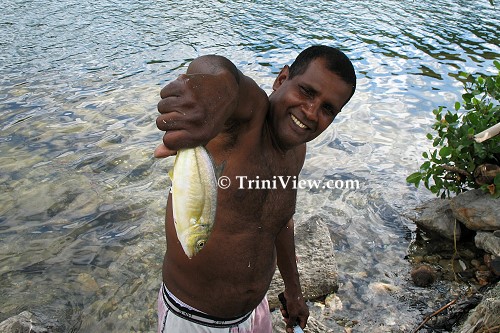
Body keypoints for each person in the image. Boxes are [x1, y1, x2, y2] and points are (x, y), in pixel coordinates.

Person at [154, 45, 356, 333]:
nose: (311, 113)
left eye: (327, 109)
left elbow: (280, 220)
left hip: (255, 314)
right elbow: (219, 71)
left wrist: (294, 291)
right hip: (192, 320)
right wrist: (213, 92)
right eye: (307, 92)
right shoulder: (246, 118)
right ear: (282, 79)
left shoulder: (296, 149)